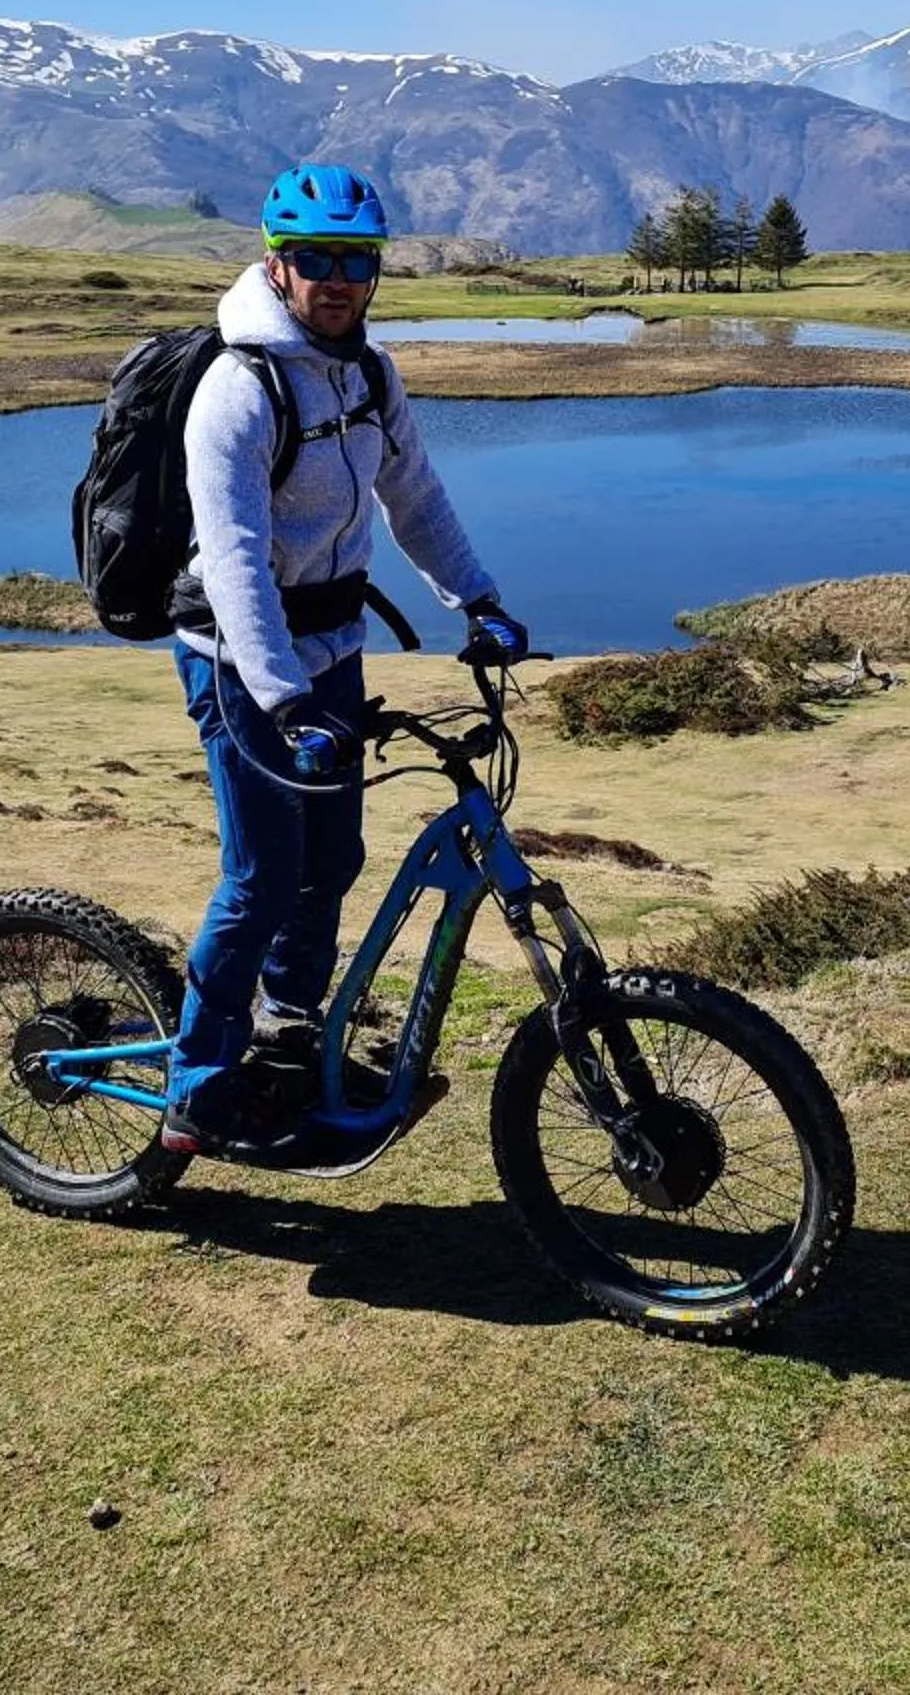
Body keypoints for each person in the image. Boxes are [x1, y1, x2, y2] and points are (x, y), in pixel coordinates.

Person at [163, 163, 527, 1156]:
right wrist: (283, 700)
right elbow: (234, 563)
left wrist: (478, 599)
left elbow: (416, 498)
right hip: (241, 663)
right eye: (315, 259)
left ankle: (286, 1031)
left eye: (356, 262)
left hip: (331, 653)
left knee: (333, 858)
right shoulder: (237, 392)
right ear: (277, 265)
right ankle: (197, 1084)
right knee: (260, 877)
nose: (336, 280)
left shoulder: (372, 376)